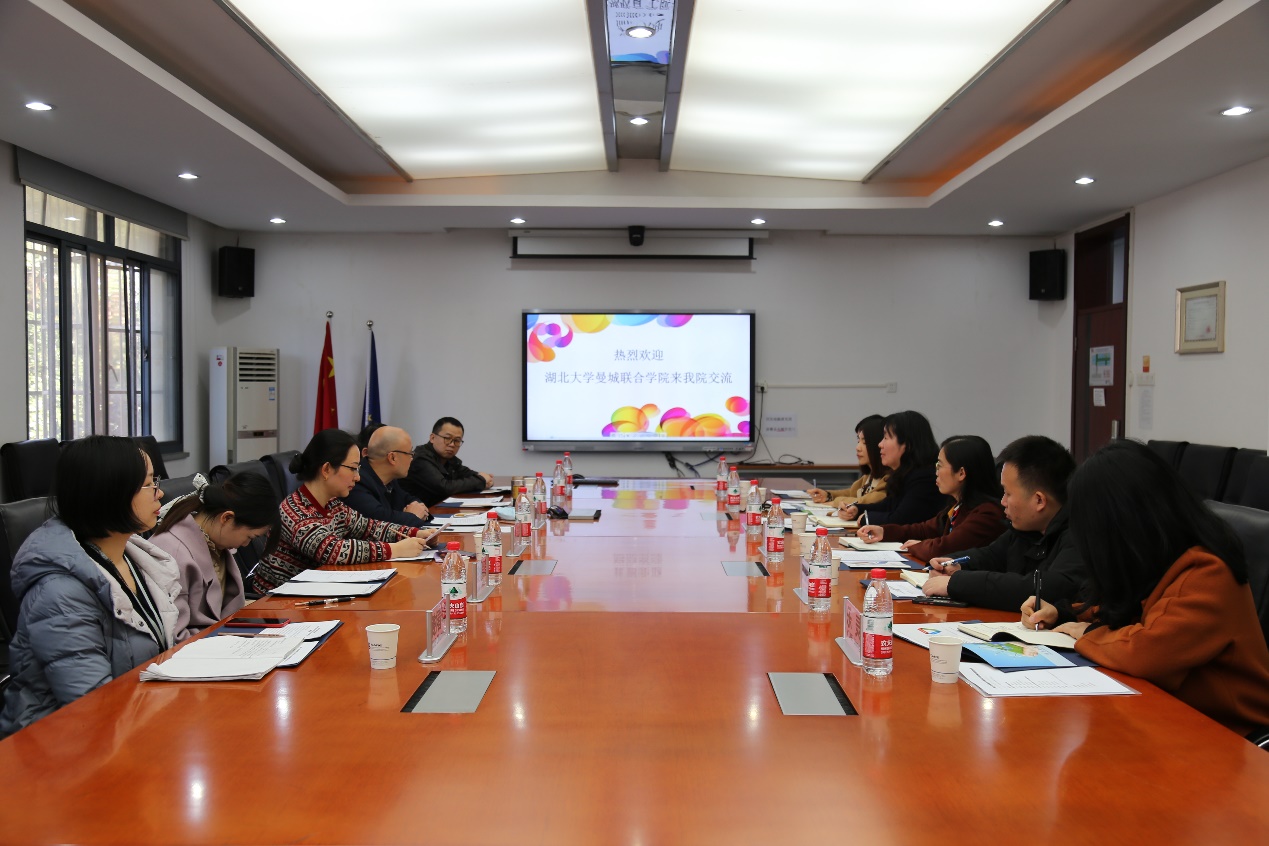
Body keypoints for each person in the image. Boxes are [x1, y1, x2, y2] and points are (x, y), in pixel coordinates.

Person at [1023, 440, 1269, 737]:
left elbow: (1146, 652)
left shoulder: (1208, 572)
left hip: (1230, 736)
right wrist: (1063, 615)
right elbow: (1123, 609)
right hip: (1167, 717)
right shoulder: (1157, 558)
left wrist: (1087, 634)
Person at [0, 436, 180, 737]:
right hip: (57, 745)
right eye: (150, 484)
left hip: (132, 721)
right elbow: (92, 706)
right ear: (112, 493)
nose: (159, 492)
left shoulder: (134, 558)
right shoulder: (60, 593)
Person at [252, 429, 438, 593]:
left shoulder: (332, 504)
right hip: (276, 605)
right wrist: (394, 549)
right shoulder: (295, 511)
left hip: (317, 592)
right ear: (326, 469)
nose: (357, 477)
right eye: (352, 469)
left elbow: (369, 527)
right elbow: (333, 550)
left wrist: (415, 533)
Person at [923, 435, 1084, 611]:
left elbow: (1046, 588)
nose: (1003, 502)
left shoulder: (1079, 535)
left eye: (1008, 493)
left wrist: (957, 583)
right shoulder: (1026, 529)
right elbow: (990, 555)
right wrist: (955, 563)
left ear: (1039, 500)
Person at [148, 471, 280, 641]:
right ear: (227, 518)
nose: (246, 544)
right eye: (250, 537)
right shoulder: (172, 553)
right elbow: (175, 636)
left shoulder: (215, 541)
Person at [855, 435, 1005, 562]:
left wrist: (917, 546)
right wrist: (884, 532)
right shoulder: (959, 505)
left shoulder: (987, 514)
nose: (936, 472)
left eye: (940, 465)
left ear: (961, 473)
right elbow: (925, 529)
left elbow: (943, 549)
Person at [838, 410, 942, 525]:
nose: (880, 444)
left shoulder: (924, 479)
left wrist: (866, 518)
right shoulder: (904, 474)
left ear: (907, 445)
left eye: (886, 438)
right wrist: (858, 510)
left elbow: (900, 520)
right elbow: (887, 506)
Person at [343, 425, 431, 527]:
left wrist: (417, 511)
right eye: (410, 453)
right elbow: (381, 522)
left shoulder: (389, 479)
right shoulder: (357, 482)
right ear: (392, 457)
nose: (412, 458)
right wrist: (413, 516)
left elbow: (410, 500)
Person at [400, 416, 493, 508]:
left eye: (457, 440)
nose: (452, 444)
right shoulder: (421, 459)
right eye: (447, 438)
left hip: (439, 509)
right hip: (417, 513)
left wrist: (484, 479)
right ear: (432, 438)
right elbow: (445, 487)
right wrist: (481, 480)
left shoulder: (449, 459)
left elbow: (466, 473)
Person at [806, 415, 889, 507]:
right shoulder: (869, 476)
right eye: (858, 441)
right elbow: (852, 493)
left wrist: (836, 502)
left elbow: (866, 501)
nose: (858, 448)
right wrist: (828, 495)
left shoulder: (888, 479)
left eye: (864, 442)